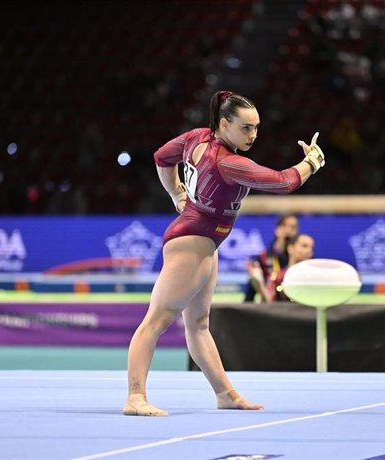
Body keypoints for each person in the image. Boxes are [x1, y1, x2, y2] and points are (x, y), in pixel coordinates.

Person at [124, 90, 325, 416]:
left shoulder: (196, 138)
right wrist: (312, 162)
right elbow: (283, 182)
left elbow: (162, 157)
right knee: (156, 321)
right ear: (224, 123)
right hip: (191, 240)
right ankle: (135, 397)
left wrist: (176, 193)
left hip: (204, 240)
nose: (253, 135)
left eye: (257, 127)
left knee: (200, 325)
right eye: (246, 128)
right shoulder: (227, 162)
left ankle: (226, 394)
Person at [243, 213, 299, 303]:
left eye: (293, 227)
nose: (288, 230)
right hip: (270, 304)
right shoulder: (263, 257)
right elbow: (250, 292)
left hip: (292, 304)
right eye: (285, 225)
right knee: (256, 275)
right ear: (277, 229)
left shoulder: (299, 258)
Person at [251, 233, 315, 302]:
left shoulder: (314, 277)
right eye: (304, 246)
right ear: (290, 248)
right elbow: (269, 301)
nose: (309, 250)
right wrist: (260, 284)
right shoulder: (277, 276)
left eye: (311, 247)